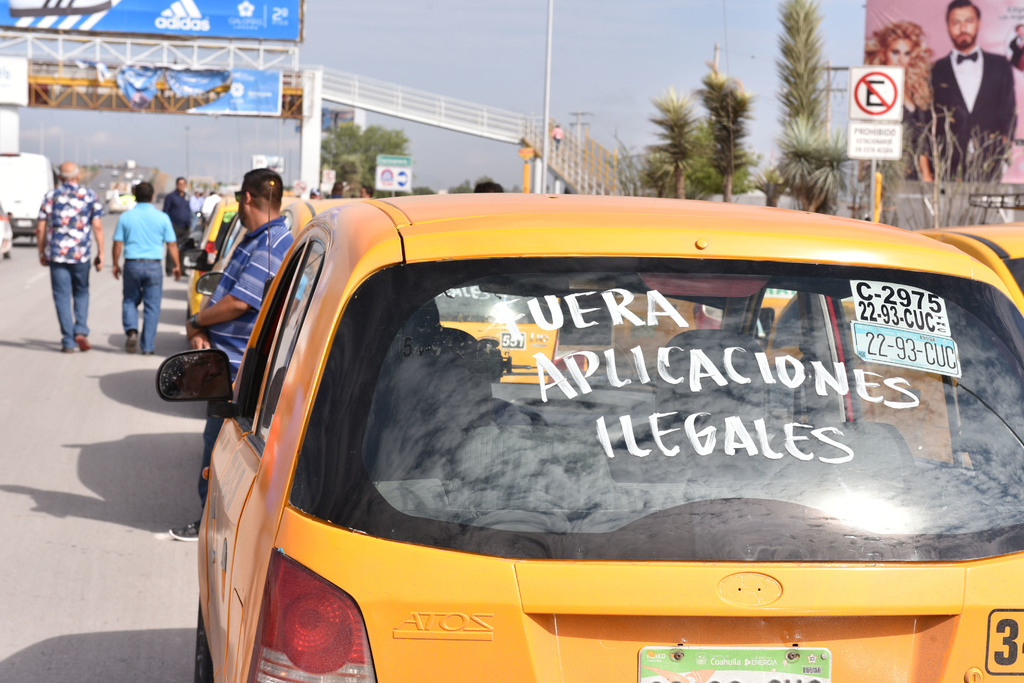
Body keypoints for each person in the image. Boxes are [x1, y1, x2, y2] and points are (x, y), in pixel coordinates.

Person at [169, 168, 294, 542]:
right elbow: (227, 294)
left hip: (238, 370)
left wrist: (196, 320)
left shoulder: (271, 244)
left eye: (240, 199)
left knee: (218, 451)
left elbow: (239, 302)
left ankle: (211, 525)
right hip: (227, 364)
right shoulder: (257, 240)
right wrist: (202, 327)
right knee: (218, 448)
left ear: (247, 199)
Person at [931, 0, 1016, 181]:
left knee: (987, 207)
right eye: (956, 22)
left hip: (989, 161)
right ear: (947, 26)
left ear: (979, 23)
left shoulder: (1000, 66)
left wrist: (1002, 148)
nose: (963, 28)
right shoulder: (935, 70)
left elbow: (1009, 111)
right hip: (947, 163)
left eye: (968, 21)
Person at [36, 161, 104, 353]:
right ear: (78, 176)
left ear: (60, 177)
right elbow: (97, 226)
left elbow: (41, 227)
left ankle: (67, 340)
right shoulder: (89, 195)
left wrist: (41, 251)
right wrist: (102, 252)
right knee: (81, 292)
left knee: (61, 296)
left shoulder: (51, 196)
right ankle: (80, 330)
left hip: (57, 255)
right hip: (81, 255)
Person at [111, 181, 181, 355]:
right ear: (152, 197)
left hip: (132, 264)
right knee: (152, 307)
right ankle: (148, 346)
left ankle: (132, 331)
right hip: (154, 266)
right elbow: (171, 244)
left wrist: (115, 263)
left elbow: (118, 243)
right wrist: (177, 265)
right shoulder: (162, 217)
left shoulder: (126, 217)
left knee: (129, 301)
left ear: (135, 196)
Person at [865, 20, 934, 181]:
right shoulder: (875, 90)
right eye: (895, 52)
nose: (900, 59)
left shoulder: (917, 91)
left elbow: (921, 140)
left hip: (913, 175)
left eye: (906, 53)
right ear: (883, 53)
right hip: (886, 174)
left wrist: (926, 176)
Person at [162, 176, 191, 275]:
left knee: (183, 248)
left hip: (185, 226)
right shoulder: (171, 197)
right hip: (174, 226)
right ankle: (169, 269)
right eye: (180, 184)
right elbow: (165, 211)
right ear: (177, 185)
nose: (182, 186)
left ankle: (182, 269)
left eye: (183, 184)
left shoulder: (186, 196)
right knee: (172, 246)